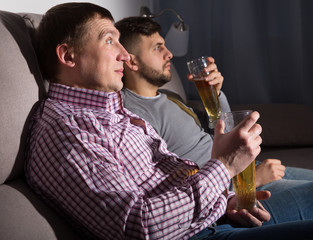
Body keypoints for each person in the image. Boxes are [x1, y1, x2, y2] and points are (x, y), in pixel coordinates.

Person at [25, 3, 313, 240]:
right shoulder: (66, 131)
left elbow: (173, 176)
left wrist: (223, 202)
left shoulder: (117, 113)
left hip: (215, 211)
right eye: (109, 40)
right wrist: (224, 167)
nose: (123, 55)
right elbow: (139, 227)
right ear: (68, 55)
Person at [116, 16, 313, 193]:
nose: (170, 54)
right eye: (158, 47)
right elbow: (168, 185)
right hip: (231, 189)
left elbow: (223, 131)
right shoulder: (134, 116)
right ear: (132, 62)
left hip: (244, 169)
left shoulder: (168, 96)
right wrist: (250, 182)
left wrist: (215, 93)